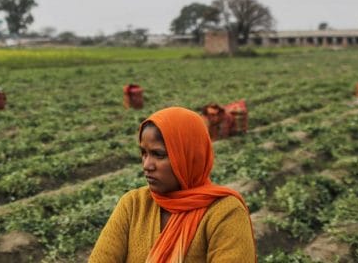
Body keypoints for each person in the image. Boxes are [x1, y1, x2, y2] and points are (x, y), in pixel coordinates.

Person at [89, 106, 256, 262]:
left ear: (188, 156)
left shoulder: (224, 213)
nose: (147, 165)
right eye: (144, 153)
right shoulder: (133, 205)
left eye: (158, 154)